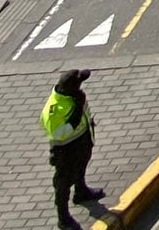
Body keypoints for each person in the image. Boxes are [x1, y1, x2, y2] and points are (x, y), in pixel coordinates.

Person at [41, 68, 105, 228]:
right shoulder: (54, 110)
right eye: (79, 83)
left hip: (82, 142)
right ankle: (63, 218)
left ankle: (81, 191)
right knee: (63, 184)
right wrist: (76, 112)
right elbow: (58, 134)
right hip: (66, 152)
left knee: (82, 166)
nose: (81, 87)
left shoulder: (74, 96)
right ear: (71, 88)